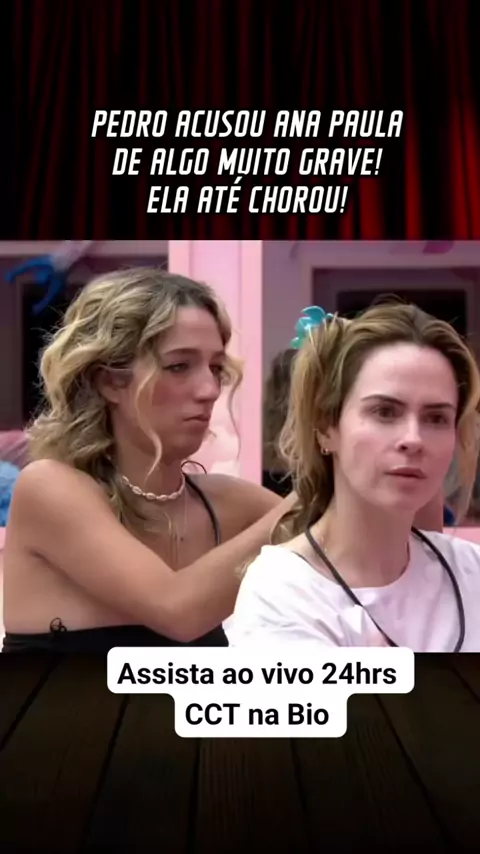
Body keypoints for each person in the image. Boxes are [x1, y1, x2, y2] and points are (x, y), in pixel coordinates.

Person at [2, 267, 291, 653]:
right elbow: (177, 610)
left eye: (216, 368)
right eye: (179, 366)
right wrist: (304, 503)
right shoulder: (50, 487)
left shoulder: (229, 502)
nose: (209, 389)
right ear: (110, 381)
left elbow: (347, 546)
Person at [226, 301, 480, 652]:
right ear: (326, 428)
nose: (413, 439)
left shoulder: (470, 570)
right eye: (384, 412)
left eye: (436, 418)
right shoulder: (284, 592)